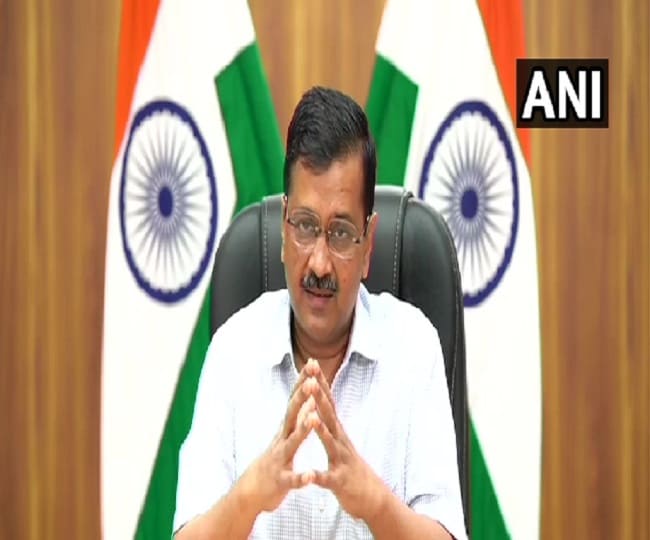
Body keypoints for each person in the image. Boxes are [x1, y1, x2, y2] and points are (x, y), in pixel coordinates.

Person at [173, 86, 466, 539]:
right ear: (283, 226)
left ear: (369, 244)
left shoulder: (413, 349)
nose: (319, 264)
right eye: (306, 227)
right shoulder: (234, 350)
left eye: (341, 233)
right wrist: (249, 496)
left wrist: (375, 503)